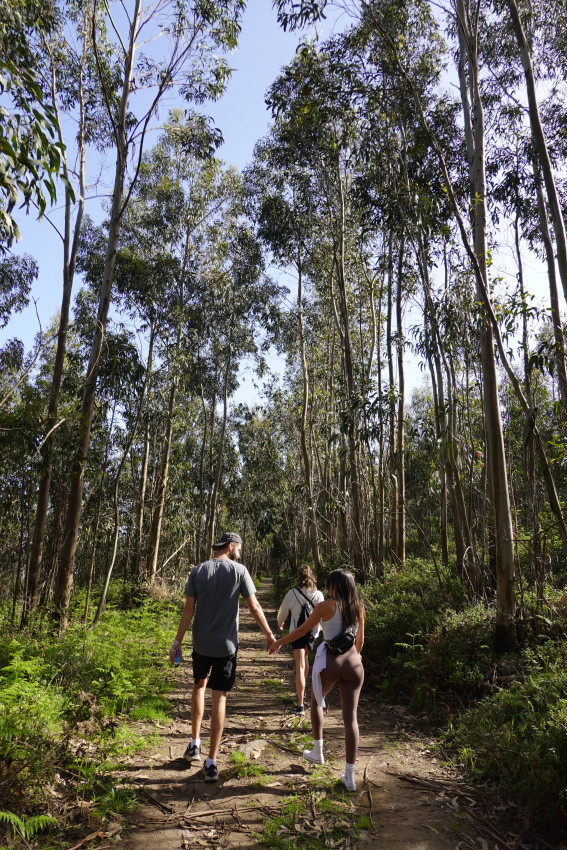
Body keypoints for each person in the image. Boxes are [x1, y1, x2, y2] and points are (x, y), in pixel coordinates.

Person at [169, 531, 276, 782]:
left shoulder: (197, 570)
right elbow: (254, 606)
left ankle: (194, 743)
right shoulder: (239, 571)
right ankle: (211, 761)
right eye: (239, 548)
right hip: (226, 647)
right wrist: (269, 634)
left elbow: (188, 609)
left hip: (201, 644)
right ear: (230, 546)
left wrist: (177, 641)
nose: (241, 552)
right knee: (219, 698)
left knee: (198, 687)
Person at [269, 568, 364, 792]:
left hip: (330, 663)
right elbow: (360, 642)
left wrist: (278, 643)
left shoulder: (326, 607)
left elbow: (301, 630)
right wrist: (355, 660)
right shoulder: (358, 607)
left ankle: (317, 751)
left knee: (316, 701)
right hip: (354, 664)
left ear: (334, 587)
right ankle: (349, 776)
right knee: (351, 719)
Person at [276, 564, 324, 716]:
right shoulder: (318, 595)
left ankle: (300, 704)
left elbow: (282, 613)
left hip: (296, 633)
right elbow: (323, 616)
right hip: (311, 634)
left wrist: (280, 623)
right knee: (306, 662)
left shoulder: (292, 593)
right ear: (311, 576)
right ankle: (301, 693)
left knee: (300, 666)